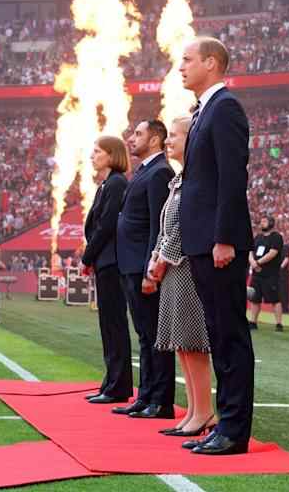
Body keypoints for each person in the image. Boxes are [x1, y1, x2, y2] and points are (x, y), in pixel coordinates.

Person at [178, 36, 254, 456]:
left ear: (211, 62)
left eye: (187, 60)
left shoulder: (224, 108)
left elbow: (231, 177)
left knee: (229, 335)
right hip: (202, 239)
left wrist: (224, 237)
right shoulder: (204, 110)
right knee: (218, 334)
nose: (180, 67)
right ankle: (224, 423)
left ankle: (234, 430)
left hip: (217, 241)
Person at [147, 116, 216, 437]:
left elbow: (183, 225)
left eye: (174, 135)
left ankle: (204, 412)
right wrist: (156, 256)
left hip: (187, 267)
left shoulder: (195, 178)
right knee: (182, 345)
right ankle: (194, 410)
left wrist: (162, 258)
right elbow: (166, 227)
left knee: (193, 342)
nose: (168, 141)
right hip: (174, 268)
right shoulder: (179, 179)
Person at [113, 120, 175, 420]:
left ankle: (161, 401)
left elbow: (158, 224)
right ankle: (146, 395)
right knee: (144, 334)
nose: (131, 138)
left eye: (138, 134)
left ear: (155, 139)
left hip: (143, 264)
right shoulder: (143, 171)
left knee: (154, 335)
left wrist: (154, 265)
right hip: (131, 263)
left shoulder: (160, 171)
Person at [81, 135, 133, 404]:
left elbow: (106, 225)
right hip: (104, 261)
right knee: (108, 324)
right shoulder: (106, 185)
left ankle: (118, 385)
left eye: (97, 151)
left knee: (114, 324)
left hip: (110, 261)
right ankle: (111, 382)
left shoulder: (115, 184)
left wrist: (86, 257)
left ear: (112, 155)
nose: (93, 155)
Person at [248, 216, 285, 332]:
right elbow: (250, 251)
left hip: (270, 274)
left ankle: (279, 324)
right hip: (256, 274)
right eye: (261, 221)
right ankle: (253, 322)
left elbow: (273, 253)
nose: (261, 223)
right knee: (255, 299)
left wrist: (258, 262)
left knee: (275, 299)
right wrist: (253, 262)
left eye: (264, 221)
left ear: (271, 223)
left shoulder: (276, 237)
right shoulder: (257, 237)